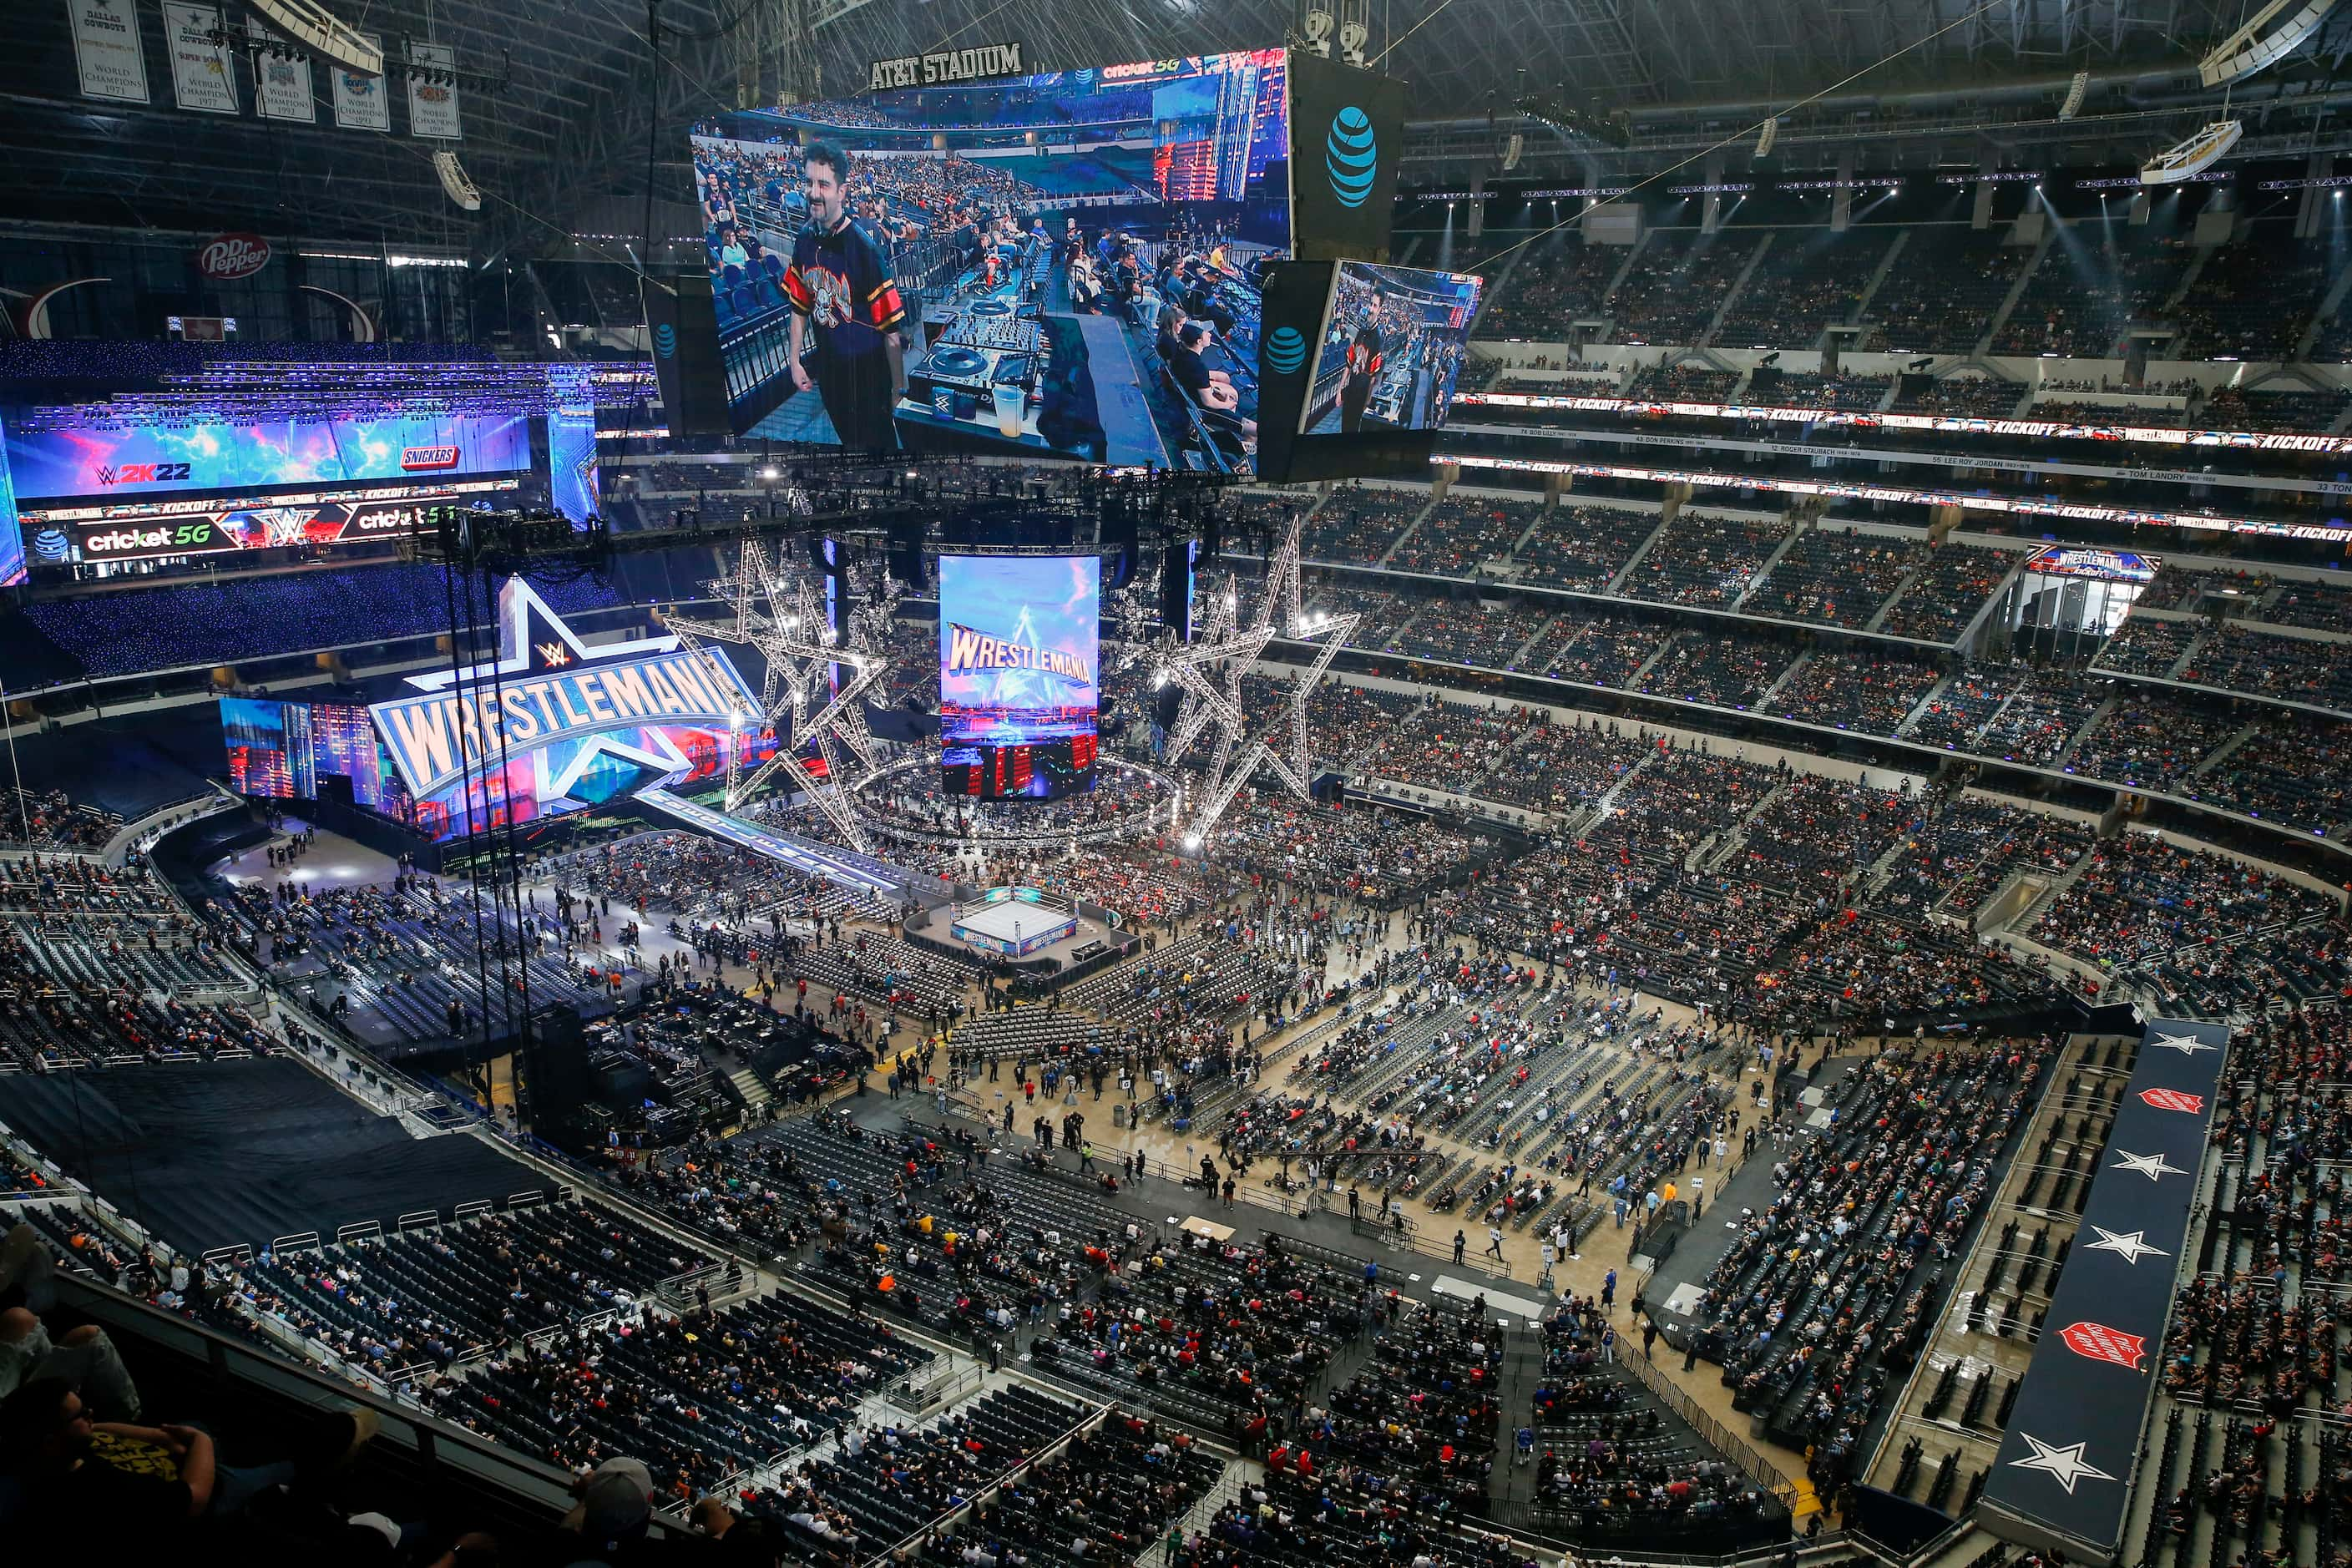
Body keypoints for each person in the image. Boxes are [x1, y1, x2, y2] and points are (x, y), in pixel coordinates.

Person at [785, 141, 908, 453]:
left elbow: (891, 332)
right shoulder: (802, 241)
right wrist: (795, 360)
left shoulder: (865, 249)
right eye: (809, 182)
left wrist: (898, 387)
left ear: (842, 191)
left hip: (869, 377)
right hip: (830, 374)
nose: (813, 192)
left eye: (823, 184)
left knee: (880, 451)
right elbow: (799, 307)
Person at [1167, 322, 1257, 440]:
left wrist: (1215, 391)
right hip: (1203, 411)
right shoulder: (1197, 367)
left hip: (1188, 402)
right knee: (1255, 430)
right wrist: (1226, 404)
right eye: (1206, 333)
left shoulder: (1180, 353)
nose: (1210, 334)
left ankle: (1246, 442)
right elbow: (1208, 402)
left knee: (1249, 433)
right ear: (1199, 341)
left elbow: (1194, 383)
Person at [1337, 313, 1383, 433]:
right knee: (1344, 427)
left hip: (1361, 396)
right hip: (1350, 392)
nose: (1371, 310)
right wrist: (1339, 391)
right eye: (1371, 305)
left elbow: (1373, 378)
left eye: (1375, 306)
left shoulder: (1377, 340)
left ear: (1380, 309)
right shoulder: (1361, 332)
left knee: (1353, 428)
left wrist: (1367, 401)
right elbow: (1348, 365)